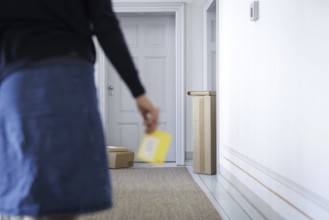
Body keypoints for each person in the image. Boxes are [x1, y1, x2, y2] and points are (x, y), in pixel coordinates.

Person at [0, 0, 159, 220]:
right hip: (69, 75)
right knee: (66, 195)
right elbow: (106, 25)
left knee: (27, 189)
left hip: (16, 80)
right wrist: (138, 92)